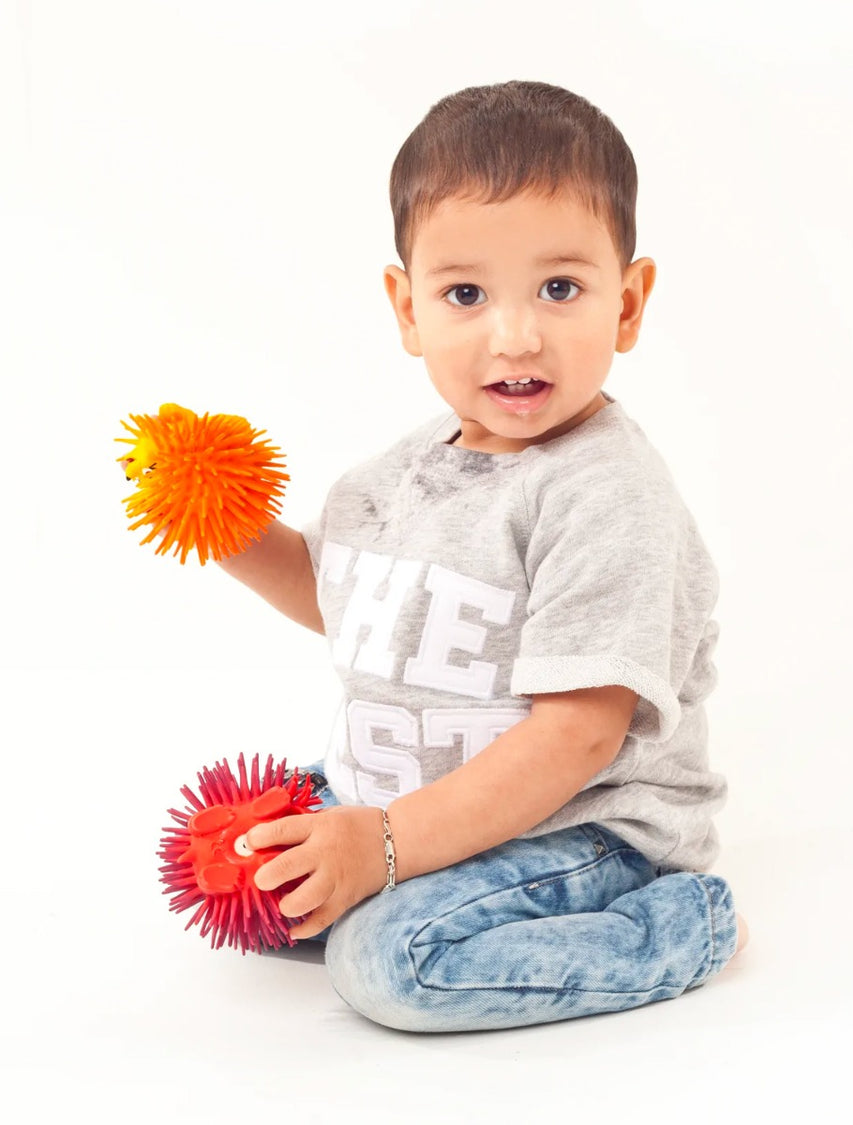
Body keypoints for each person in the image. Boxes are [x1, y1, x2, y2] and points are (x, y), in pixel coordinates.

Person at [221, 79, 748, 1032]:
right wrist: (229, 527)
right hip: (410, 795)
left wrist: (379, 844)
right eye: (466, 292)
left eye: (560, 287)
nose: (516, 335)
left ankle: (681, 928)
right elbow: (348, 600)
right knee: (242, 868)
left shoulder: (606, 494)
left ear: (627, 304)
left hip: (581, 823)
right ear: (407, 306)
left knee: (388, 963)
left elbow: (578, 734)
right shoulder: (401, 471)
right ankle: (392, 858)